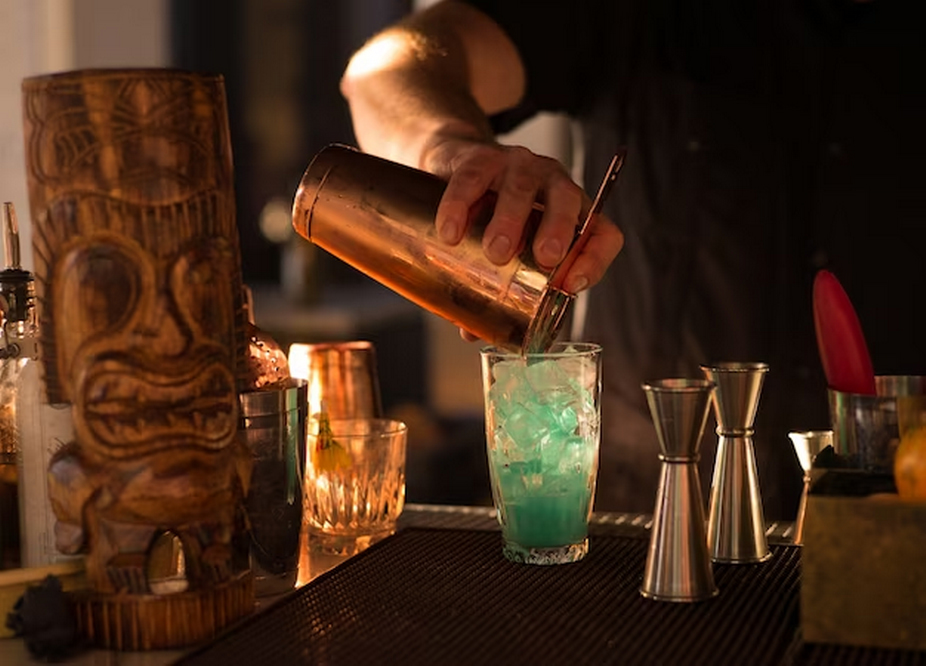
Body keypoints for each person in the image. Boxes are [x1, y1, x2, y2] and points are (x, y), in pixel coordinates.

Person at [339, 0, 926, 519]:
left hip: (895, 516)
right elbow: (384, 72)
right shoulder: (641, 15)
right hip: (639, 527)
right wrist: (446, 144)